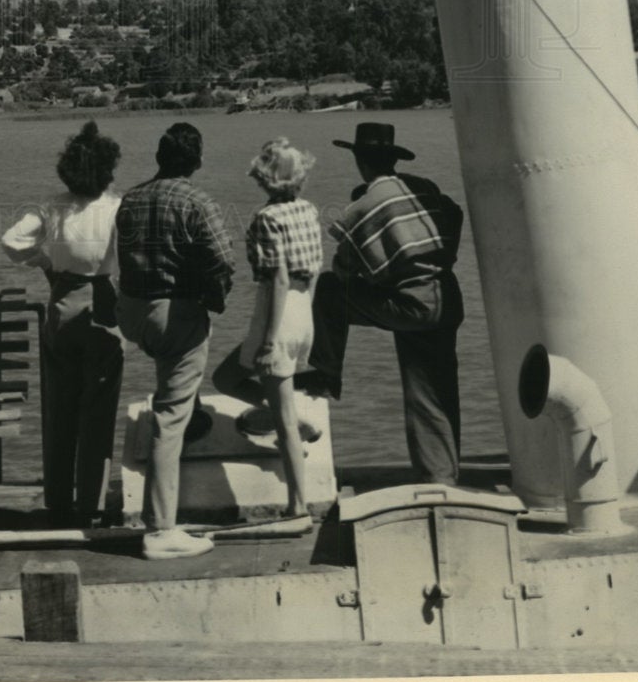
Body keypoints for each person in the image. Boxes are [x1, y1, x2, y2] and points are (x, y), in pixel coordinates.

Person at [300, 122, 466, 486]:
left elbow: (342, 272)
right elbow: (454, 212)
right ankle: (443, 477)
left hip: (411, 304)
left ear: (360, 161)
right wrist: (441, 254)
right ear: (393, 159)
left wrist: (381, 270)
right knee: (436, 391)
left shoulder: (364, 206)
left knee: (328, 291)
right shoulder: (424, 188)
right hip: (447, 296)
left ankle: (326, 373)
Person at [114, 122, 238, 561]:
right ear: (197, 161)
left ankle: (195, 413)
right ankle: (161, 529)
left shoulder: (129, 198)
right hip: (173, 316)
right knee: (169, 415)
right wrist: (215, 298)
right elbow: (224, 259)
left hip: (130, 314)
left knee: (176, 381)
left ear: (159, 157)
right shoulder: (197, 200)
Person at [1, 121, 125, 527]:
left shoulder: (51, 207)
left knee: (61, 405)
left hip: (63, 303)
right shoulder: (117, 208)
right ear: (107, 169)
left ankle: (57, 497)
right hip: (104, 307)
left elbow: (11, 242)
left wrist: (47, 263)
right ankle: (90, 502)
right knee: (99, 407)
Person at [210, 138, 323, 521]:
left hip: (275, 312)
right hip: (303, 309)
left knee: (281, 420)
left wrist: (271, 339)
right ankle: (288, 414)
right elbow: (316, 268)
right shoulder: (308, 211)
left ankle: (298, 504)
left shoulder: (266, 219)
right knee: (227, 377)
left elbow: (275, 280)